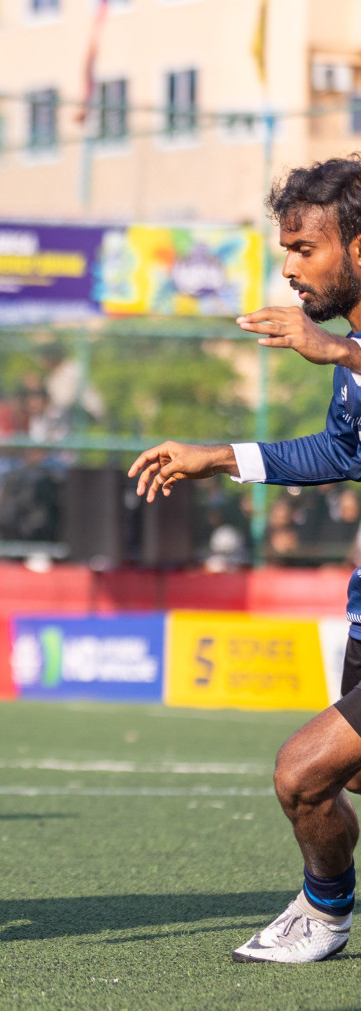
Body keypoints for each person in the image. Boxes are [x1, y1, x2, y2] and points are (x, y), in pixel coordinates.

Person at [129, 156, 361, 964]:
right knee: (352, 780)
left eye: (306, 249)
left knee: (305, 774)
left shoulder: (348, 349)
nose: (290, 269)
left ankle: (324, 914)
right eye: (286, 249)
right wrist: (215, 456)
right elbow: (340, 447)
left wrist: (336, 353)